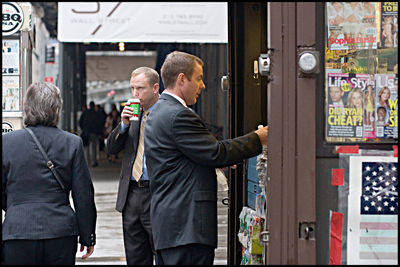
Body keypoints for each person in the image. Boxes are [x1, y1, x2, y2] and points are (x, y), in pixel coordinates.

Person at [144, 51, 269, 265]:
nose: (203, 86)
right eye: (199, 78)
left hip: (171, 227)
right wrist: (259, 138)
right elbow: (216, 153)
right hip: (186, 229)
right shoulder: (178, 115)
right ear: (182, 79)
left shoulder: (158, 111)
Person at [2, 82, 96, 265]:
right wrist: (87, 236)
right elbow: (83, 195)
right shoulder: (72, 143)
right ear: (57, 109)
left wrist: (16, 208)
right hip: (60, 232)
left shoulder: (7, 143)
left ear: (27, 107)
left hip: (17, 231)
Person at [106, 67, 159, 265]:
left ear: (155, 88)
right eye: (132, 89)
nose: (135, 94)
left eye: (140, 88)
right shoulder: (133, 116)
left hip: (156, 192)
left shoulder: (166, 113)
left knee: (161, 251)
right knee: (135, 256)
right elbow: (111, 149)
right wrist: (124, 125)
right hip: (131, 194)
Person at [79, 101, 101, 167]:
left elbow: (80, 122)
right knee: (94, 147)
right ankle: (94, 161)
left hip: (86, 132)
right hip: (94, 132)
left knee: (86, 148)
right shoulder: (97, 113)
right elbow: (99, 123)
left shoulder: (85, 113)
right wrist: (99, 132)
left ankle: (86, 162)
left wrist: (83, 129)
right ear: (94, 106)